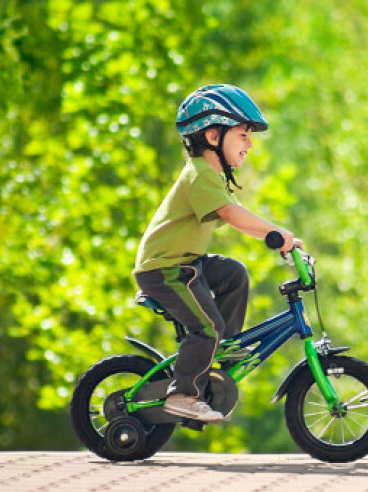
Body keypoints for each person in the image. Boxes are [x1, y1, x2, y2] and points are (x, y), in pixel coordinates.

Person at [132, 84, 302, 422]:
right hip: (164, 269)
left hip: (184, 264)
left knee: (233, 273)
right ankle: (183, 392)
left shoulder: (210, 176)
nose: (249, 144)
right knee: (206, 327)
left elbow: (239, 216)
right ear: (212, 136)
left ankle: (224, 349)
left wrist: (275, 236)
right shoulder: (199, 175)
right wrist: (278, 235)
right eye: (243, 135)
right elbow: (232, 215)